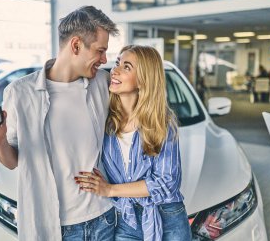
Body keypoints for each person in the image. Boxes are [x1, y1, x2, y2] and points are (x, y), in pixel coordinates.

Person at [0, 6, 119, 241]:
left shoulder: (103, 83)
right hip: (56, 226)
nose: (104, 60)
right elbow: (11, 162)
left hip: (104, 217)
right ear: (75, 45)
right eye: (100, 51)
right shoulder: (20, 93)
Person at [75, 45, 192, 241]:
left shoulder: (162, 122)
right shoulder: (104, 121)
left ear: (144, 79)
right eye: (118, 63)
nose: (115, 70)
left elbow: (166, 183)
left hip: (167, 218)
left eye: (126, 67)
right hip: (125, 219)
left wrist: (110, 189)